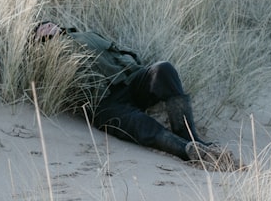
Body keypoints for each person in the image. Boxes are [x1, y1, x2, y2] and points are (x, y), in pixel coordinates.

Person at [32, 21, 242, 171]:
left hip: (131, 80)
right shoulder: (51, 59)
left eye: (48, 23)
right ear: (40, 41)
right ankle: (187, 150)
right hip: (105, 101)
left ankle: (190, 136)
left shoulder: (88, 34)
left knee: (163, 69)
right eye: (42, 29)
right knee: (138, 123)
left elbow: (119, 51)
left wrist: (135, 66)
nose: (47, 26)